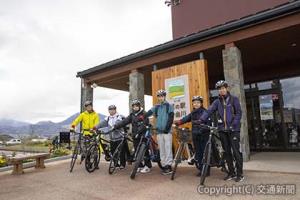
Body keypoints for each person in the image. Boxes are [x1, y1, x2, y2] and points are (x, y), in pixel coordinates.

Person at [200, 80, 244, 182]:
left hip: (233, 130)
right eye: (219, 89)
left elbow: (238, 113)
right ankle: (231, 172)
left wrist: (233, 125)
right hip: (222, 130)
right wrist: (202, 119)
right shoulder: (216, 102)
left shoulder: (234, 99)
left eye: (223, 88)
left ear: (226, 88)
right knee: (227, 152)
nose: (221, 90)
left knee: (236, 152)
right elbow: (209, 110)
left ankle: (240, 174)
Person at [175, 96, 210, 176]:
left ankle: (206, 171)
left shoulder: (205, 112)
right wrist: (178, 123)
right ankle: (201, 169)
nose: (196, 104)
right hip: (195, 135)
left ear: (201, 103)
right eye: (194, 103)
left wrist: (203, 128)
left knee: (205, 153)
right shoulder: (193, 113)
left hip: (204, 135)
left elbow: (208, 123)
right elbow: (185, 119)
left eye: (198, 102)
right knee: (198, 153)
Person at [114, 100, 152, 173]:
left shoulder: (144, 113)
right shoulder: (132, 115)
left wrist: (139, 131)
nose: (135, 107)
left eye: (136, 106)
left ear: (139, 106)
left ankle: (147, 166)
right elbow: (125, 121)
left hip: (143, 135)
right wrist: (116, 126)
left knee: (144, 151)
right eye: (133, 106)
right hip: (135, 135)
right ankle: (140, 165)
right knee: (137, 150)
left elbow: (145, 124)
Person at [145, 89, 174, 175]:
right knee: (161, 149)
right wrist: (141, 117)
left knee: (168, 148)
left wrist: (167, 128)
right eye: (159, 96)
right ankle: (164, 165)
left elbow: (171, 118)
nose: (160, 98)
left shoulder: (169, 106)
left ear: (164, 96)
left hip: (167, 132)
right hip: (159, 131)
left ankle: (169, 166)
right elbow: (148, 113)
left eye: (162, 96)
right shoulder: (156, 107)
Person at [96, 105, 129, 169]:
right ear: (108, 111)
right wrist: (95, 127)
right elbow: (101, 124)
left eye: (113, 109)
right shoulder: (108, 118)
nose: (111, 111)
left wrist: (115, 126)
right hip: (112, 138)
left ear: (115, 110)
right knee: (113, 151)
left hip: (120, 137)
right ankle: (116, 164)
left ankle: (122, 164)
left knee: (121, 151)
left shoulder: (120, 117)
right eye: (110, 110)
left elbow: (122, 123)